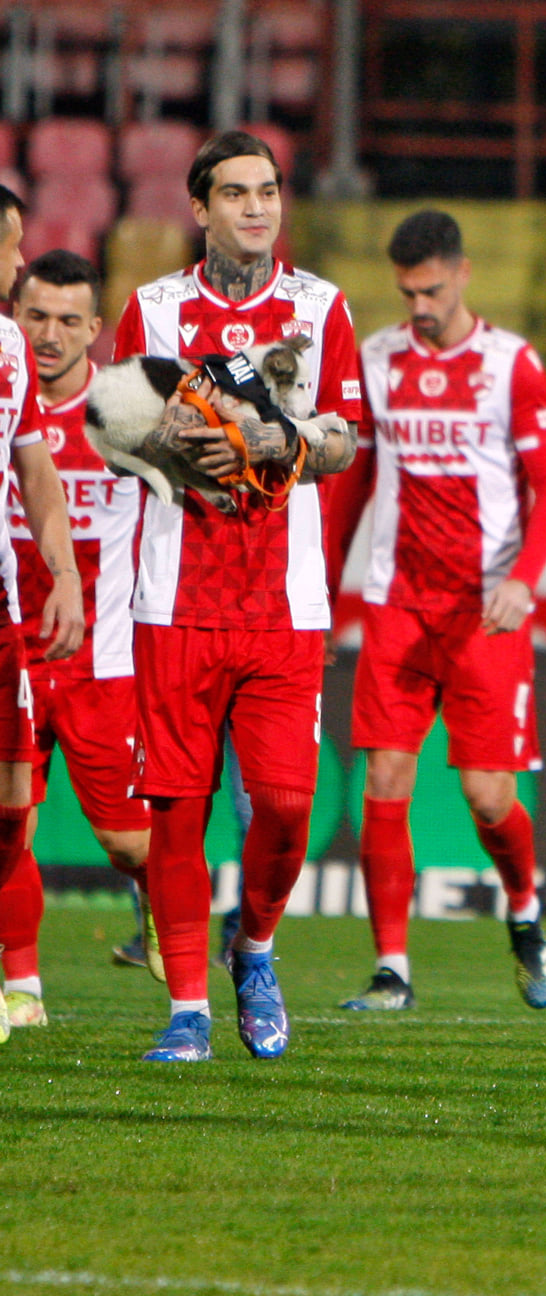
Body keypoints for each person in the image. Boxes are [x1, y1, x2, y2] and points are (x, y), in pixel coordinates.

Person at [112, 131, 363, 1063]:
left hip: (284, 606)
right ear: (200, 207)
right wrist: (184, 443)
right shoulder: (154, 308)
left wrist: (268, 443)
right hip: (173, 599)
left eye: (269, 191)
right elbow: (122, 437)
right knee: (177, 811)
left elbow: (344, 439)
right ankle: (187, 1012)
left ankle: (252, 945)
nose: (257, 207)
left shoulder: (321, 308)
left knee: (289, 804)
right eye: (236, 193)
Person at [324, 210, 546, 1011]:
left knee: (488, 798)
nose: (419, 305)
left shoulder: (512, 365)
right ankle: (392, 967)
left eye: (430, 289)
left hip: (485, 610)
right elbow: (353, 487)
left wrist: (525, 577)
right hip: (397, 603)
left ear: (462, 274)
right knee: (385, 777)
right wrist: (324, 594)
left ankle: (526, 913)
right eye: (407, 292)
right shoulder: (379, 359)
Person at [0, 251, 156, 1029]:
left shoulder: (129, 412)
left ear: (96, 330)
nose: (51, 335)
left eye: (69, 321)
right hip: (15, 650)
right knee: (10, 823)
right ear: (14, 315)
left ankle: (163, 907)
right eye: (36, 317)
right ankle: (22, 987)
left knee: (129, 844)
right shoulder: (5, 403)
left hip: (108, 658)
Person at [0, 188, 88, 1044]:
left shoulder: (7, 352)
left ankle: (18, 981)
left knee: (13, 807)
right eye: (12, 248)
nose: (19, 260)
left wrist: (62, 572)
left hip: (9, 614)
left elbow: (36, 472)